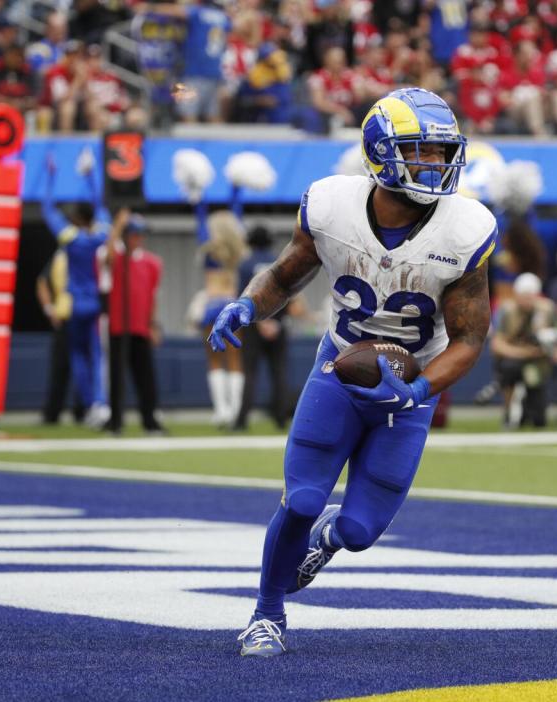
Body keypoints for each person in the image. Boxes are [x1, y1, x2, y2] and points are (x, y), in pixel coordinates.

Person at [209, 87, 494, 657]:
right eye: (422, 151)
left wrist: (416, 390)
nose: (436, 164)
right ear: (380, 151)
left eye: (442, 153)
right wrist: (247, 303)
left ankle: (331, 539)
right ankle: (266, 614)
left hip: (413, 387)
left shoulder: (465, 229)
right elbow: (285, 278)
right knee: (303, 497)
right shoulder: (332, 206)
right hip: (340, 365)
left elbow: (468, 341)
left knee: (360, 532)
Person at [41, 155, 110, 429]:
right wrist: (89, 175)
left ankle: (92, 402)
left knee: (78, 356)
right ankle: (100, 402)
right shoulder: (100, 235)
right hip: (95, 301)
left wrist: (51, 176)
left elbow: (47, 209)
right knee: (96, 354)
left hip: (74, 303)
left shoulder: (69, 238)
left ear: (76, 218)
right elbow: (101, 205)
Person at [99, 211, 165, 435]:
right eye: (134, 235)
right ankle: (115, 421)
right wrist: (116, 227)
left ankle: (150, 420)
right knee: (116, 376)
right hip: (118, 326)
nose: (138, 239)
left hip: (141, 327)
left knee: (146, 377)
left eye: (140, 235)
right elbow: (107, 258)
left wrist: (153, 325)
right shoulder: (116, 259)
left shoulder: (152, 263)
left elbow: (153, 296)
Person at [191, 193, 247, 429]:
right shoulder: (237, 250)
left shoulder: (210, 249)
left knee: (214, 359)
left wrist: (198, 198)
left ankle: (221, 411)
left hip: (213, 305)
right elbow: (237, 215)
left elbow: (201, 222)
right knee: (235, 359)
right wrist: (236, 190)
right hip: (233, 306)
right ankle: (234, 411)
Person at [134, 1, 231, 123]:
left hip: (192, 73)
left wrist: (149, 7)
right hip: (215, 72)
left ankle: (190, 141)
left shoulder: (198, 12)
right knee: (213, 116)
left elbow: (177, 11)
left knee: (187, 116)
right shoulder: (221, 15)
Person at [490, 272, 557, 428]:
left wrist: (556, 350)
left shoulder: (547, 309)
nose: (527, 300)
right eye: (524, 296)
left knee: (539, 420)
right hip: (514, 360)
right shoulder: (506, 310)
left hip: (538, 362)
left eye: (531, 296)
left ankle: (528, 408)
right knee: (509, 368)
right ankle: (509, 410)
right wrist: (524, 353)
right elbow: (497, 345)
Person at [236, 226, 291, 430]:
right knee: (279, 373)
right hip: (278, 324)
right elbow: (289, 293)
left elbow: (242, 296)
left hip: (253, 324)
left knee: (249, 373)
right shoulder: (281, 261)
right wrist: (276, 322)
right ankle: (281, 419)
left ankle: (241, 420)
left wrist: (260, 321)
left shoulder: (245, 264)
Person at [36, 249, 85, 425]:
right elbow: (42, 282)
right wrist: (49, 310)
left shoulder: (92, 252)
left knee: (85, 368)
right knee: (59, 368)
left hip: (85, 318)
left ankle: (84, 412)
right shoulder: (60, 256)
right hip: (64, 318)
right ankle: (51, 414)